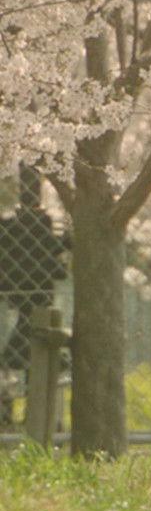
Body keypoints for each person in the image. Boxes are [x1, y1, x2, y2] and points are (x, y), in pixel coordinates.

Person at [0, 166, 71, 425]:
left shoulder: (21, 227)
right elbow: (57, 249)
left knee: (22, 351)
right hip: (35, 292)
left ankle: (35, 415)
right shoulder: (28, 227)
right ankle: (40, 416)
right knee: (29, 350)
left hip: (30, 292)